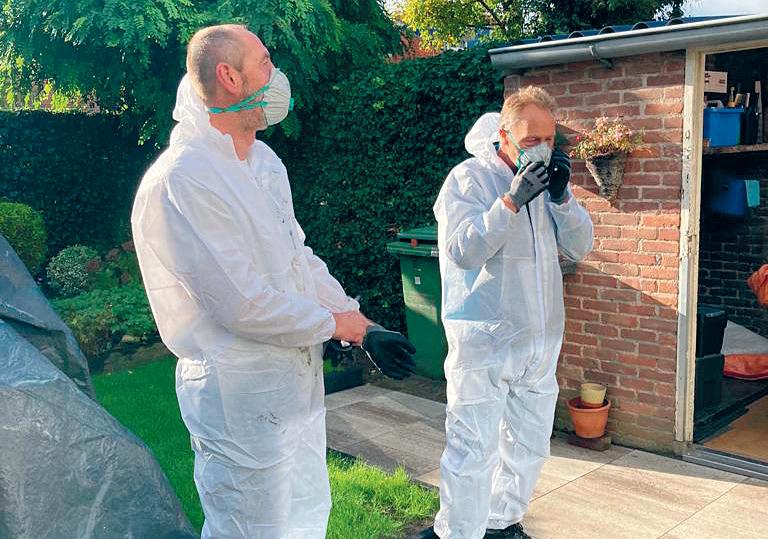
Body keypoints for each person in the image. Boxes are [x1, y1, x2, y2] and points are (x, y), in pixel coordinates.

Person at [131, 24, 414, 538]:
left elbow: (296, 261)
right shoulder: (185, 178)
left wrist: (363, 324)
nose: (277, 75)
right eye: (265, 63)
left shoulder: (263, 163)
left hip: (292, 387)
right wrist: (341, 327)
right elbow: (242, 304)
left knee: (304, 516)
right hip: (239, 397)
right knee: (250, 528)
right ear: (229, 76)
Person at [426, 87, 593, 539]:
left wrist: (562, 198)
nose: (542, 148)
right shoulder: (469, 180)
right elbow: (462, 251)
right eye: (531, 139)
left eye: (549, 139)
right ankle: (458, 533)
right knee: (473, 448)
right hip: (484, 342)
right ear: (504, 135)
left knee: (529, 445)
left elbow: (580, 247)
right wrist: (510, 203)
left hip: (539, 342)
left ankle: (502, 523)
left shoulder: (548, 186)